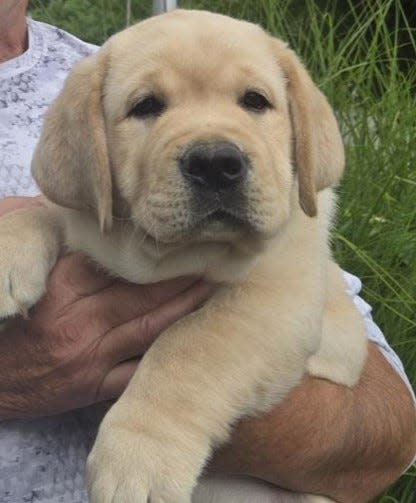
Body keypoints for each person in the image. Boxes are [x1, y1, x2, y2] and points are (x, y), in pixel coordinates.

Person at [0, 1, 415, 502]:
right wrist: (33, 228)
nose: (215, 154)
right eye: (149, 106)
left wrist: (168, 416)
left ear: (300, 132)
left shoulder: (111, 62)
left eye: (254, 101)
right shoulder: (96, 88)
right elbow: (68, 207)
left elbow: (389, 428)